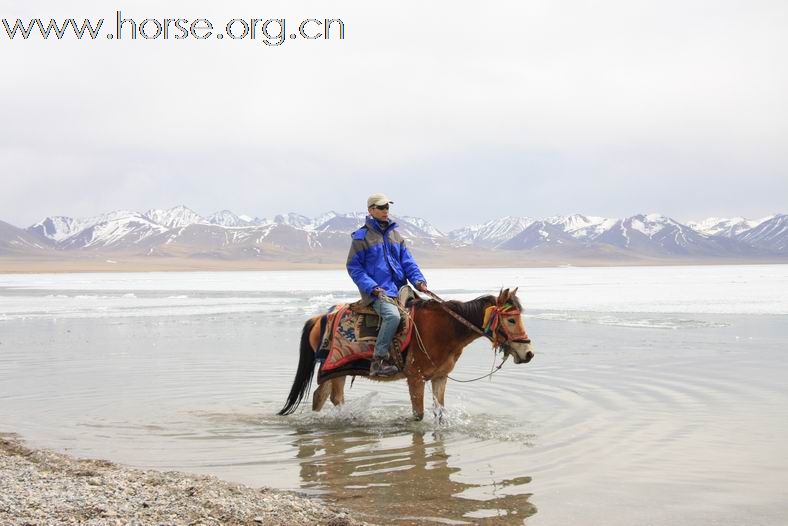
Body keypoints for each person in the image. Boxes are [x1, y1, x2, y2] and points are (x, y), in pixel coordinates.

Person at [346, 193, 429, 377]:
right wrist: (371, 287)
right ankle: (379, 360)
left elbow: (408, 263)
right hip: (378, 293)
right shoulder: (362, 237)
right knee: (392, 317)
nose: (385, 211)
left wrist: (419, 281)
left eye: (387, 208)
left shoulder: (396, 235)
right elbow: (354, 267)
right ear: (371, 210)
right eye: (381, 207)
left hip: (401, 291)